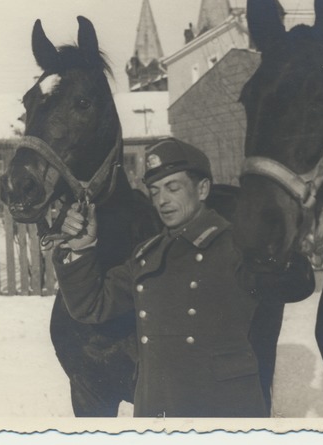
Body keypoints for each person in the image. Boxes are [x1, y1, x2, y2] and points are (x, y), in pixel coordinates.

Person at [52, 138, 269, 418]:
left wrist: (274, 239)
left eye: (172, 188)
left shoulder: (235, 244)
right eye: (154, 191)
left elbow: (291, 285)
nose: (162, 200)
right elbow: (90, 306)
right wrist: (81, 250)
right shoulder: (147, 255)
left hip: (221, 412)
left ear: (202, 189)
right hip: (158, 411)